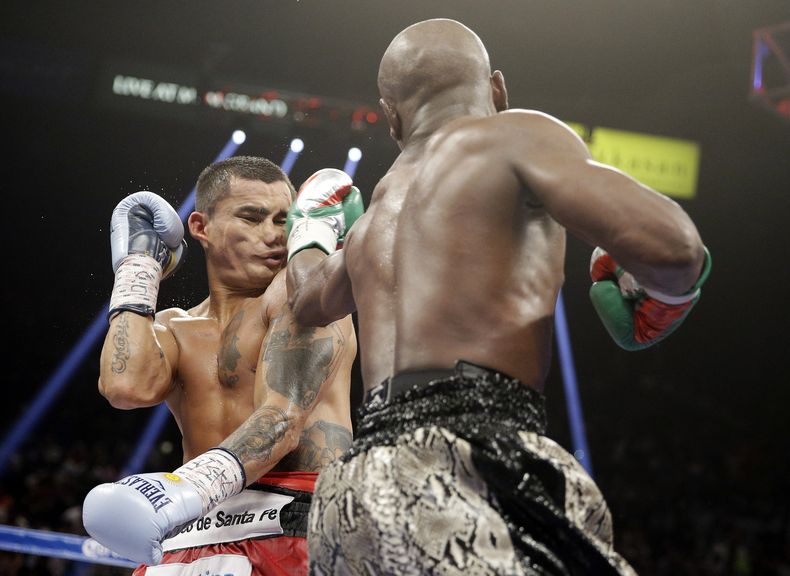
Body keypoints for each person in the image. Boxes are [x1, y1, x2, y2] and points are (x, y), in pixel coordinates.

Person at [285, 18, 711, 576]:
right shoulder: (515, 135)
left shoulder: (369, 226)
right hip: (472, 461)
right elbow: (677, 251)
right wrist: (655, 291)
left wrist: (309, 227)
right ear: (498, 90)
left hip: (350, 495)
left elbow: (307, 298)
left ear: (392, 118)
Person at [82, 156, 359, 576]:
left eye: (285, 221)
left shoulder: (303, 295)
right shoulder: (174, 326)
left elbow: (282, 421)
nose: (273, 235)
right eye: (252, 217)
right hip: (192, 530)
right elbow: (125, 387)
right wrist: (138, 269)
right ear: (200, 227)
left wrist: (184, 489)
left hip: (295, 521)